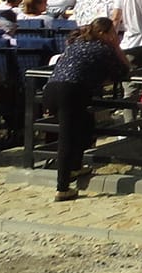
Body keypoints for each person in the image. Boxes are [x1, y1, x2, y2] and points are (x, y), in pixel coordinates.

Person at [43, 18, 130, 201]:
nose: (115, 36)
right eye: (113, 33)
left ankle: (75, 166)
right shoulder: (103, 49)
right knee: (67, 137)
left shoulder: (77, 43)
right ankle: (63, 187)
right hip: (71, 91)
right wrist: (116, 47)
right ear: (103, 34)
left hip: (52, 89)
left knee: (85, 123)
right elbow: (123, 70)